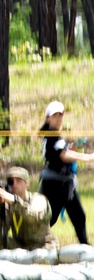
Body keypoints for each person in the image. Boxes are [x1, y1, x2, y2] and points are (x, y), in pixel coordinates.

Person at [38, 101, 94, 244]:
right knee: (50, 219)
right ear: (48, 118)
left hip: (65, 186)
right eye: (55, 115)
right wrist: (87, 157)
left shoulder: (56, 138)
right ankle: (34, 244)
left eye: (60, 114)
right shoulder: (51, 137)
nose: (58, 118)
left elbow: (62, 152)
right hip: (54, 187)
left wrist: (71, 147)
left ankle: (85, 248)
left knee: (79, 216)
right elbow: (63, 156)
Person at [0, 167, 58, 250]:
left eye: (18, 180)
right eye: (11, 182)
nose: (14, 185)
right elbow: (1, 230)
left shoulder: (38, 199)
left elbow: (32, 216)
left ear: (26, 183)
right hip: (21, 246)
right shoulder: (9, 204)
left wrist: (14, 201)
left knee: (40, 256)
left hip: (42, 245)